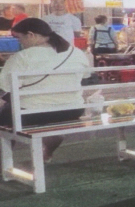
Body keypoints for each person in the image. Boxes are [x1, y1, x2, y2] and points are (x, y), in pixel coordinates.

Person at [0, 18, 91, 162]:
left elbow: (4, 88)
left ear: (31, 35)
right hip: (72, 111)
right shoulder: (76, 52)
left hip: (33, 114)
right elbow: (86, 76)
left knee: (5, 114)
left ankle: (4, 162)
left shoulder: (22, 57)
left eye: (19, 38)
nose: (19, 43)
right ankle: (49, 148)